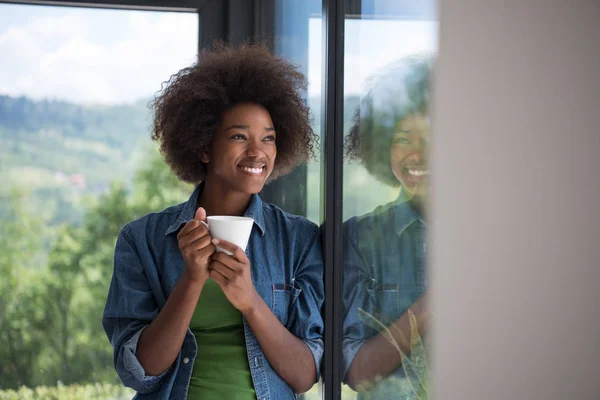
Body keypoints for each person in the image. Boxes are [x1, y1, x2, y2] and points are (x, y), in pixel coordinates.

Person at [102, 42, 324, 400]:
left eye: (268, 138)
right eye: (240, 136)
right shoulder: (142, 240)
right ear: (203, 147)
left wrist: (249, 299)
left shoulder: (299, 240)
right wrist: (191, 280)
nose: (258, 152)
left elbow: (304, 376)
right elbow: (140, 373)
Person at [342, 56, 433, 398]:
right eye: (403, 139)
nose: (418, 154)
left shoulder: (495, 232)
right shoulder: (359, 238)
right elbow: (355, 372)